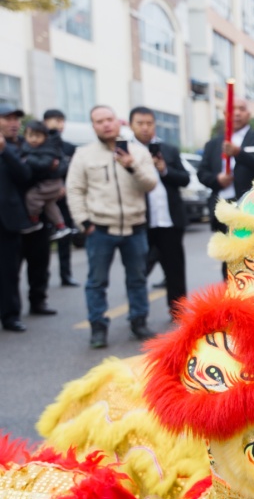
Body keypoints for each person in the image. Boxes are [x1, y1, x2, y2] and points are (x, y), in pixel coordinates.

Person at [66, 105, 159, 348]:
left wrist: (131, 165)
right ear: (93, 126)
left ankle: (139, 322)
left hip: (135, 227)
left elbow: (150, 184)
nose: (106, 124)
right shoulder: (83, 155)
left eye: (109, 119)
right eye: (99, 121)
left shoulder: (138, 152)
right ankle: (98, 327)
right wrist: (84, 223)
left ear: (118, 122)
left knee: (137, 279)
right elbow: (75, 190)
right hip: (100, 229)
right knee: (97, 282)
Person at [197, 98, 254, 276]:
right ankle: (230, 290)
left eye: (242, 109)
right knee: (229, 260)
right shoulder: (213, 144)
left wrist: (239, 153)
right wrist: (217, 180)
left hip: (251, 209)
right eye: (232, 109)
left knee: (253, 259)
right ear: (225, 114)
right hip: (222, 210)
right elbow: (202, 173)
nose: (237, 113)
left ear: (249, 113)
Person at [130, 107, 190, 318]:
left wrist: (164, 169)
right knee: (138, 270)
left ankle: (178, 311)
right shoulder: (125, 152)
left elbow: (185, 179)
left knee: (175, 269)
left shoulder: (169, 150)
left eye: (149, 123)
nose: (145, 128)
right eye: (140, 123)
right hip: (140, 220)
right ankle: (137, 316)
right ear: (131, 125)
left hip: (169, 220)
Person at [0, 106, 33, 332]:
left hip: (7, 220)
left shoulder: (20, 147)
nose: (14, 123)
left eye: (16, 119)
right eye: (7, 118)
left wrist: (4, 151)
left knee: (8, 272)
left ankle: (10, 316)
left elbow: (25, 176)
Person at [18, 120, 73, 239]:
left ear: (45, 137)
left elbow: (45, 164)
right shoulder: (26, 147)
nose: (34, 139)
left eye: (37, 136)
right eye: (30, 136)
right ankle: (61, 226)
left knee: (32, 197)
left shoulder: (47, 149)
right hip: (50, 183)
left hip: (50, 184)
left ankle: (34, 219)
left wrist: (27, 159)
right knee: (50, 205)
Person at [43, 109, 79, 287]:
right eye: (54, 120)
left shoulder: (70, 148)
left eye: (61, 121)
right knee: (42, 241)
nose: (58, 124)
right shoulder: (39, 146)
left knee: (65, 237)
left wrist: (65, 187)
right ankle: (42, 278)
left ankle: (66, 275)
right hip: (43, 200)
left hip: (64, 200)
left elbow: (75, 173)